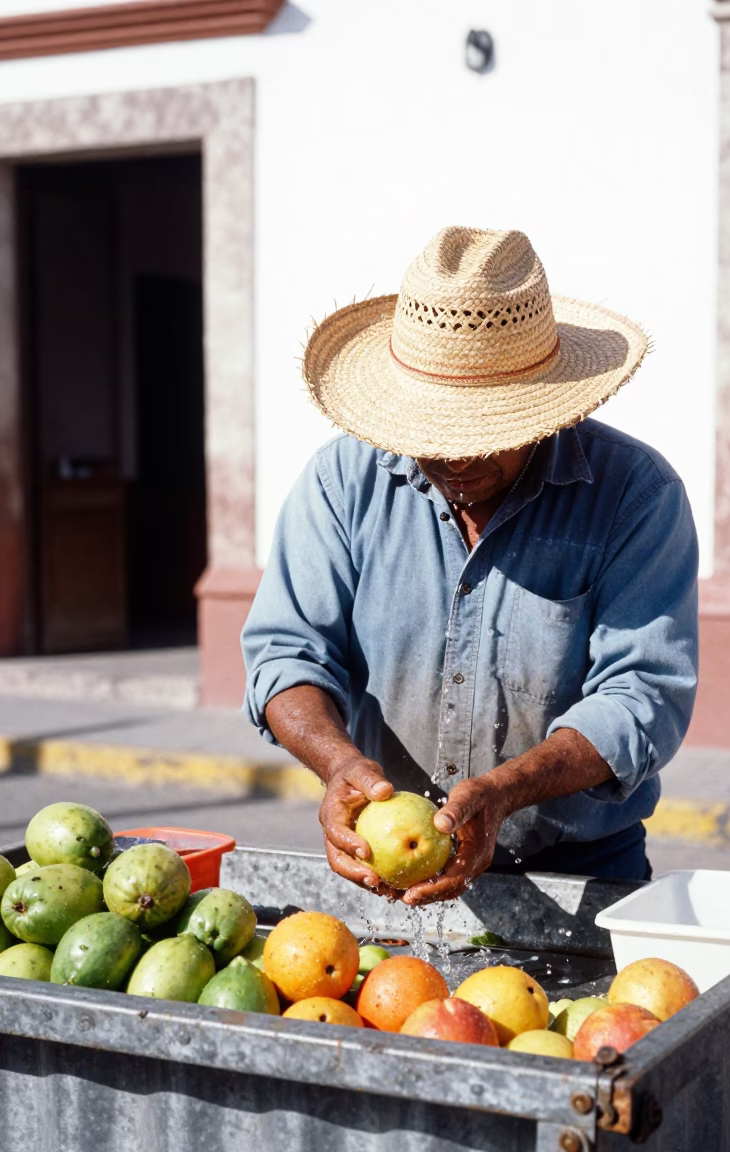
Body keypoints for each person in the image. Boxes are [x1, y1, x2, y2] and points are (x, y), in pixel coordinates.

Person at [242, 226, 698, 905]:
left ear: (544, 412)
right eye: (434, 436)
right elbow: (286, 652)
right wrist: (338, 764)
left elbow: (643, 697)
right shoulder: (342, 480)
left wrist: (506, 790)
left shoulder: (637, 495)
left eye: (486, 436)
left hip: (581, 869)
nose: (457, 460)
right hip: (388, 867)